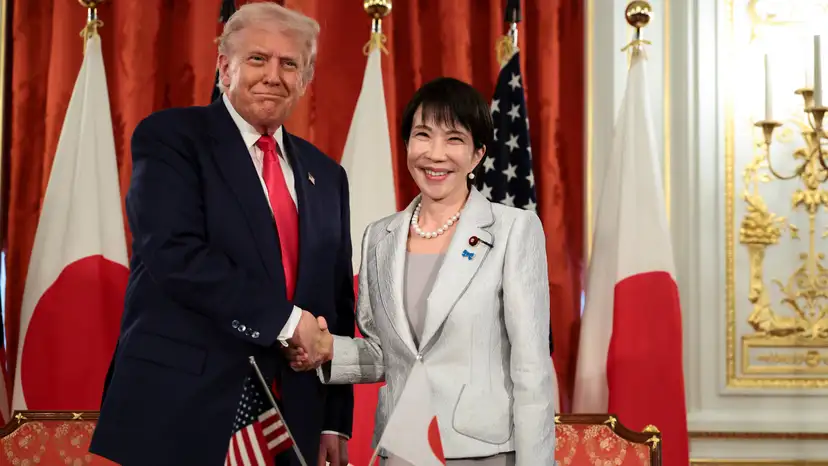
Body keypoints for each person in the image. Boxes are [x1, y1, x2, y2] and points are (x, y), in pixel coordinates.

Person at [89, 3, 352, 466]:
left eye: (289, 64)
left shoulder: (326, 175)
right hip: (179, 408)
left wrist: (334, 418)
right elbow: (175, 255)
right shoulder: (171, 138)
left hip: (291, 418)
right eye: (257, 59)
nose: (273, 75)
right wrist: (288, 324)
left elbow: (334, 299)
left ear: (305, 80)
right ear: (224, 66)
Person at [288, 77, 557, 465]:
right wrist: (330, 350)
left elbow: (531, 368)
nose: (435, 154)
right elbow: (390, 354)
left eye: (454, 139)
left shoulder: (514, 230)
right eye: (422, 135)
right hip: (401, 448)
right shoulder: (379, 237)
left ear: (477, 155)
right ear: (406, 144)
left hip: (483, 452)